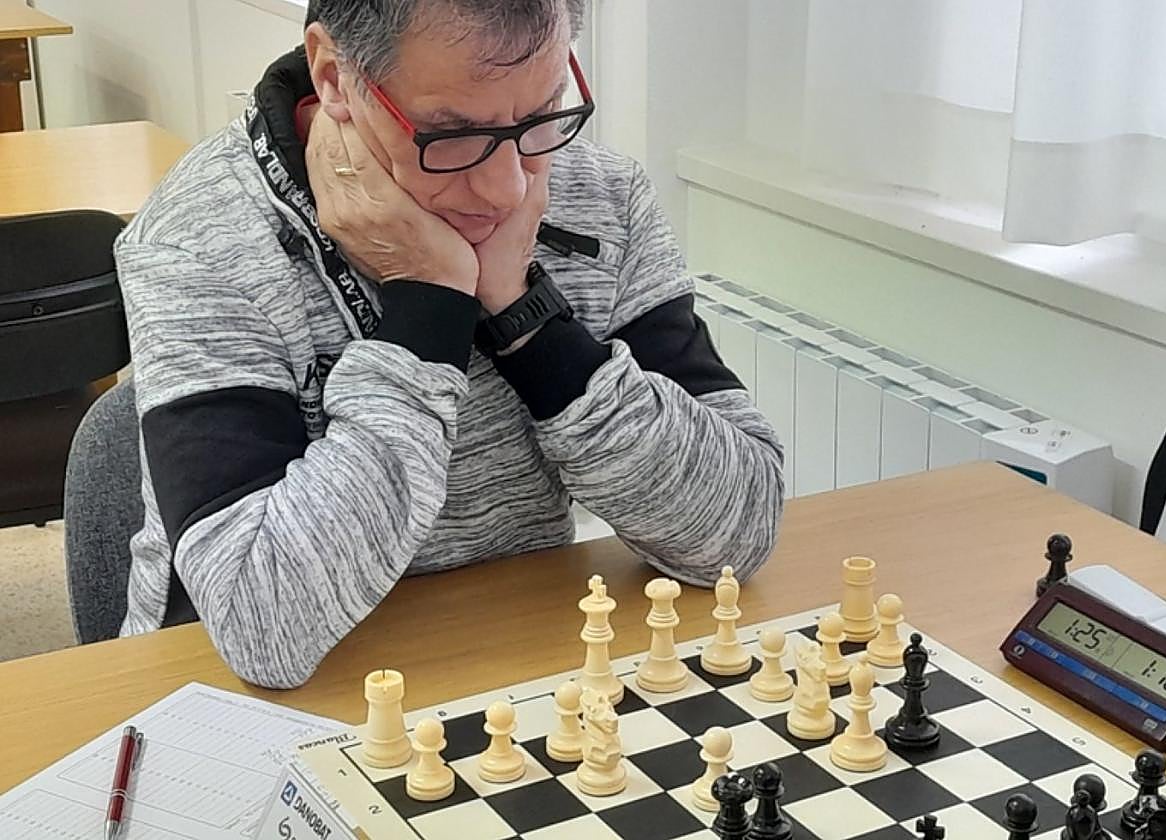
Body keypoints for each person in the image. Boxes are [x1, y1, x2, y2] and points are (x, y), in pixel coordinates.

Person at [113, 0, 784, 689]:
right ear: (335, 76)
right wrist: (428, 301)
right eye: (452, 135)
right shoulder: (196, 244)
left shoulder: (602, 195)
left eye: (540, 114)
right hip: (243, 700)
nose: (507, 189)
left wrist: (525, 315)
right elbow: (261, 626)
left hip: (511, 660)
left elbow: (738, 532)